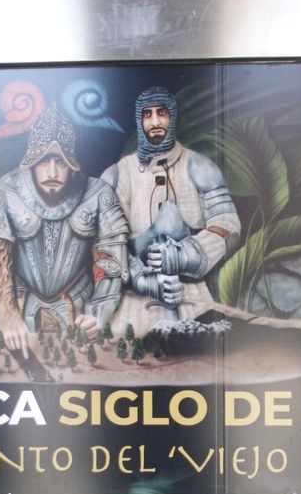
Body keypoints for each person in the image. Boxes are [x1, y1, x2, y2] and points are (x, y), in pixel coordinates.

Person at [0, 105, 128, 356]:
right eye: (44, 160)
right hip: (21, 305)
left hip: (80, 305)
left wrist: (99, 312)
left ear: (72, 162)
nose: (52, 171)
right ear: (32, 161)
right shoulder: (4, 192)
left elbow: (111, 259)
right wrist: (8, 315)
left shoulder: (98, 193)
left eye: (60, 161)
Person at [100, 87, 241, 335]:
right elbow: (104, 240)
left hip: (193, 299)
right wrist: (139, 279)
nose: (155, 121)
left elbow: (228, 224)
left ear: (172, 117)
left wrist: (189, 255)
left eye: (162, 113)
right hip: (134, 305)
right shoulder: (119, 174)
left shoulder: (198, 166)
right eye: (147, 114)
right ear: (139, 120)